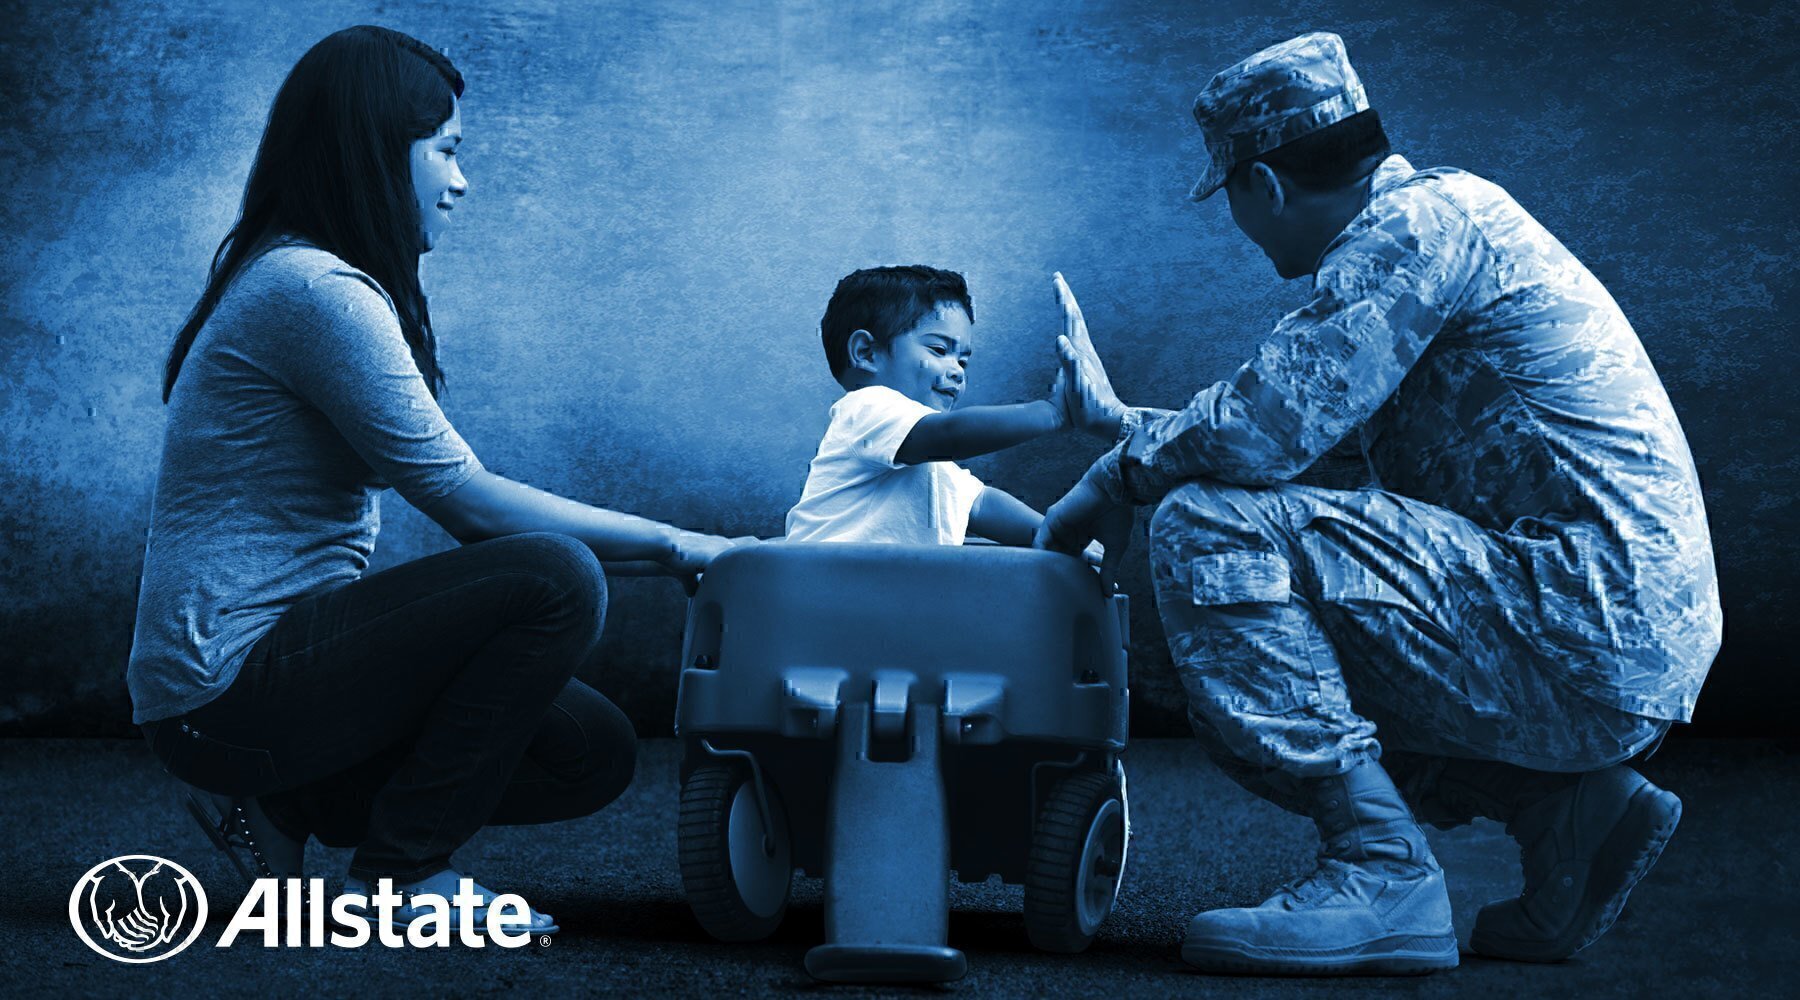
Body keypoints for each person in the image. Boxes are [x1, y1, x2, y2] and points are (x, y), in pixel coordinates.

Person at [1039, 32, 1720, 975]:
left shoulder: (1415, 228)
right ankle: (1563, 812)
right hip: (1598, 624)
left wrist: (1111, 479)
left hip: (1582, 620)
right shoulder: (1435, 225)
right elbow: (1296, 458)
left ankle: (1382, 869)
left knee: (1204, 530)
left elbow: (1258, 439)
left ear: (1263, 185)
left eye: (1231, 195)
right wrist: (1118, 426)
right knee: (1229, 570)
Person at [127, 26, 740, 935]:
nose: (462, 182)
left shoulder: (305, 278)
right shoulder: (314, 291)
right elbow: (470, 505)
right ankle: (400, 880)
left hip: (259, 687)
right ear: (375, 151)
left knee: (590, 749)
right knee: (554, 577)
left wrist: (672, 554)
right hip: (224, 688)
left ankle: (279, 803)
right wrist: (677, 542)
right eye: (446, 151)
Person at [786, 265, 1091, 553]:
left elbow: (981, 503)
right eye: (939, 350)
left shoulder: (929, 462)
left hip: (872, 587)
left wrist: (1062, 537)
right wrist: (1051, 413)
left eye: (963, 361)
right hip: (817, 581)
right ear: (866, 353)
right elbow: (951, 434)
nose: (957, 371)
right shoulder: (866, 407)